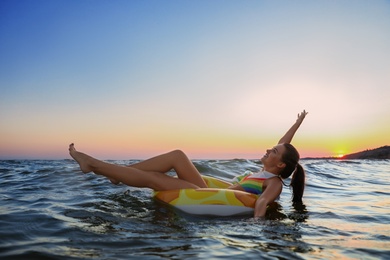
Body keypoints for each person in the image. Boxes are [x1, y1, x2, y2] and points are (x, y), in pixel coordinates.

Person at [69, 110, 308, 218]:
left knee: (166, 171)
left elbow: (264, 202)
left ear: (280, 166)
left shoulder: (274, 181)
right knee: (175, 157)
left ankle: (94, 164)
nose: (268, 150)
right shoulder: (267, 170)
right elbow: (283, 144)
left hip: (209, 194)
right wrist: (297, 124)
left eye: (273, 152)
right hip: (210, 190)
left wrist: (256, 228)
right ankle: (112, 172)